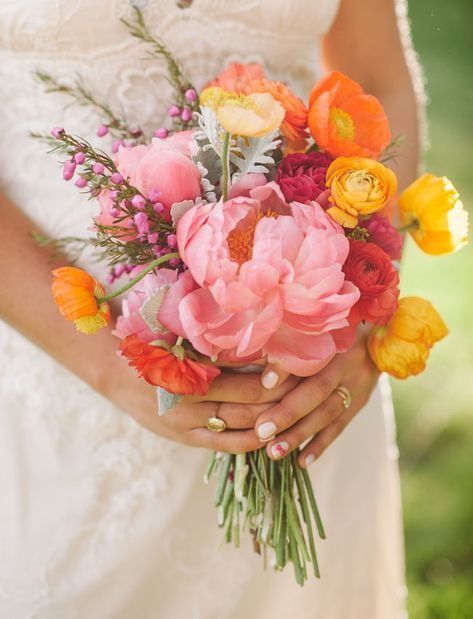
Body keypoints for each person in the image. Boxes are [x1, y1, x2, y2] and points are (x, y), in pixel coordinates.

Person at [0, 0, 421, 616]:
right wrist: (112, 372)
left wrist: (364, 317)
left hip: (310, 378)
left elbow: (377, 82)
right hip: (68, 378)